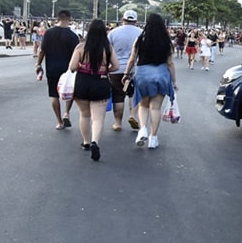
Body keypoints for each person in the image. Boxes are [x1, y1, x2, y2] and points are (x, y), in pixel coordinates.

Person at [122, 13, 177, 150]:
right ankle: (153, 138)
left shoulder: (140, 39)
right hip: (161, 75)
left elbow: (132, 59)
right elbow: (170, 63)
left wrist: (126, 73)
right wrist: (174, 81)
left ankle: (142, 130)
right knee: (155, 107)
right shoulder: (166, 41)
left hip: (143, 75)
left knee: (143, 105)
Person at [69, 19, 119, 161]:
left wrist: (83, 67)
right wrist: (105, 69)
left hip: (83, 82)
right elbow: (116, 66)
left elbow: (72, 67)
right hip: (101, 81)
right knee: (98, 118)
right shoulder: (108, 48)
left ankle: (85, 142)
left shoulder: (81, 47)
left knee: (84, 115)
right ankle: (95, 142)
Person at [36, 10, 80, 130]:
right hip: (68, 69)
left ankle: (59, 122)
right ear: (70, 19)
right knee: (69, 92)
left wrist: (38, 64)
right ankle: (67, 113)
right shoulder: (73, 36)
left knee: (54, 95)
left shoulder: (49, 33)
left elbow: (42, 50)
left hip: (52, 68)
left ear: (57, 18)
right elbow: (77, 54)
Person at [107, 10, 143, 131]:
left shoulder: (113, 33)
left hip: (117, 68)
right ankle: (133, 115)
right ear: (136, 21)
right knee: (134, 94)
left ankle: (117, 123)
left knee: (118, 96)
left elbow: (107, 51)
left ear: (123, 19)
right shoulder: (142, 33)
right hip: (136, 69)